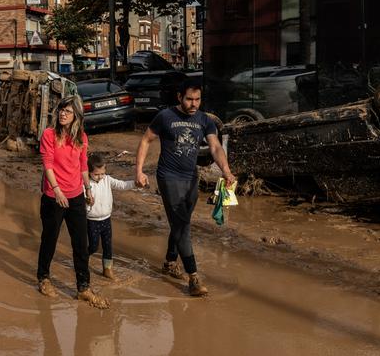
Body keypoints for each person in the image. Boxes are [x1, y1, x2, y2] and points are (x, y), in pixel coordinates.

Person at [135, 79, 236, 297]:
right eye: (189, 99)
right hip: (168, 177)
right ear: (179, 97)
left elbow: (215, 147)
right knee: (182, 225)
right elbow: (145, 140)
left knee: (181, 222)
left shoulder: (204, 120)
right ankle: (194, 277)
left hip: (191, 178)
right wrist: (139, 171)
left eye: (197, 99)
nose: (193, 104)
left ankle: (170, 261)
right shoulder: (165, 116)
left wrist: (226, 170)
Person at [36, 96, 109, 309]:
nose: (63, 114)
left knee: (81, 243)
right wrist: (57, 190)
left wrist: (88, 189)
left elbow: (83, 166)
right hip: (53, 197)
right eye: (61, 110)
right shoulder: (49, 135)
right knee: (50, 239)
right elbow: (47, 165)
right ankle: (44, 278)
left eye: (68, 111)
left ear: (76, 115)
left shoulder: (81, 138)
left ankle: (83, 288)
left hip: (76, 195)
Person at [86, 152, 135, 280]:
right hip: (92, 221)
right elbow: (83, 203)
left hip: (106, 219)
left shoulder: (107, 179)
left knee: (108, 246)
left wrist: (136, 183)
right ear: (89, 172)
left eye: (102, 173)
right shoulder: (86, 185)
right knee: (93, 246)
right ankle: (82, 260)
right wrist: (87, 202)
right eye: (96, 174)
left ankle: (107, 269)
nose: (100, 177)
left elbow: (122, 185)